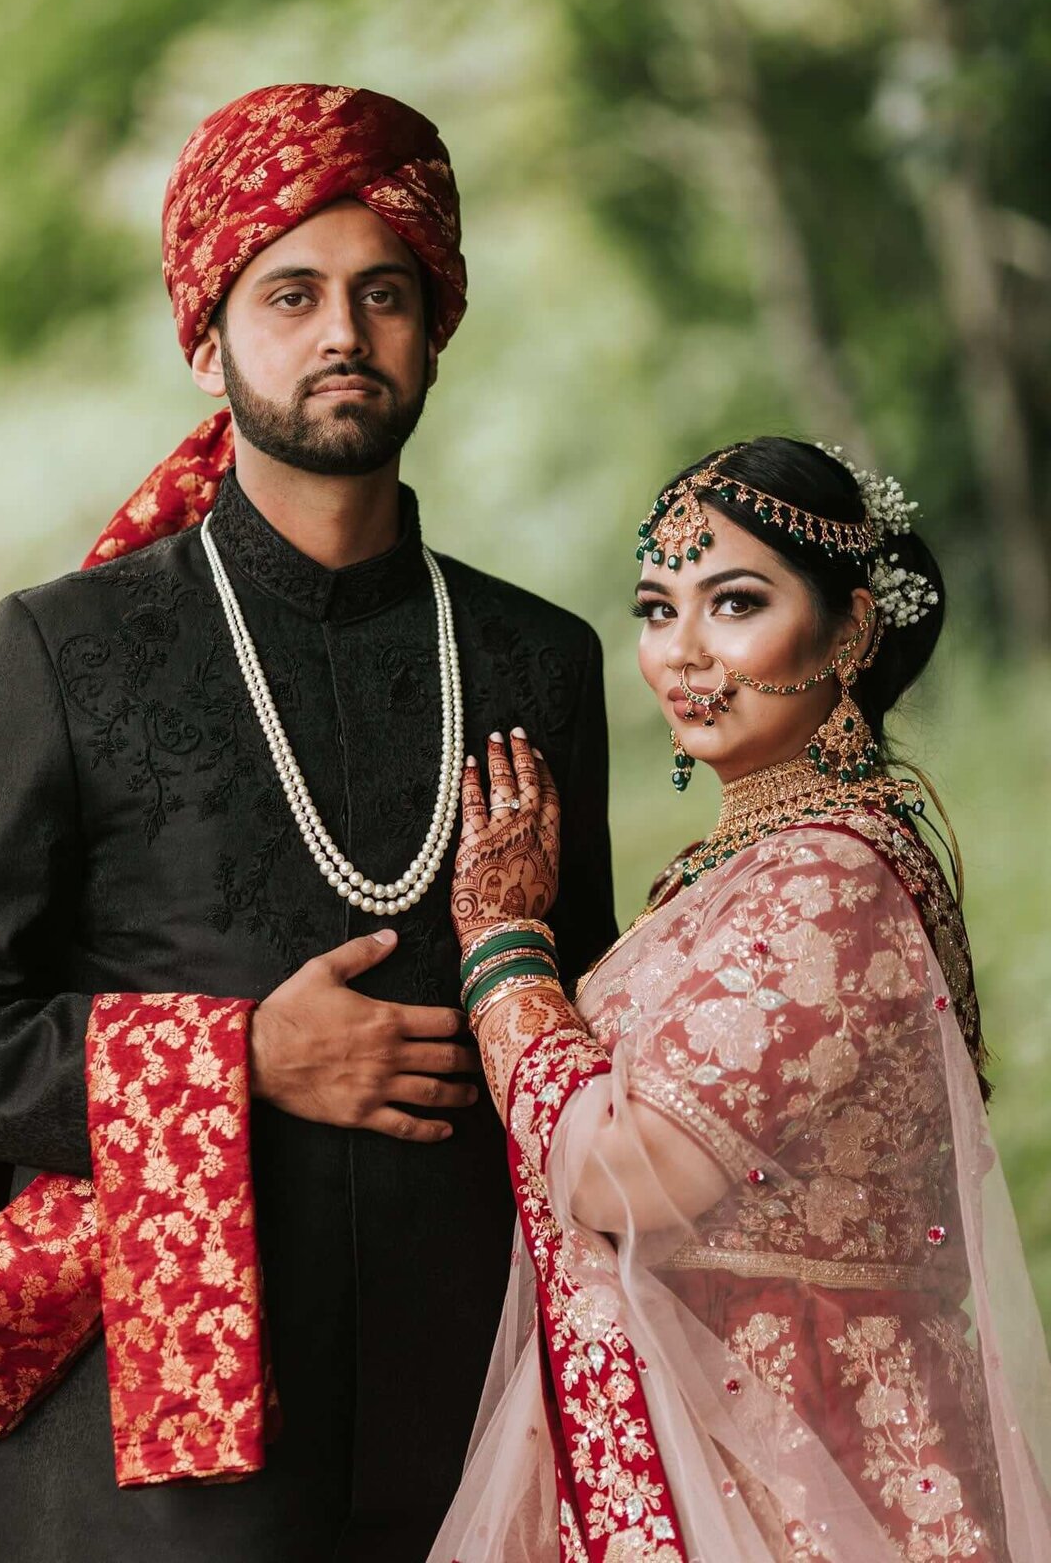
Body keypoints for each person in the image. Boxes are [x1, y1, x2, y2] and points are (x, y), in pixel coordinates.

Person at [0, 84, 618, 1563]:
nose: (342, 332)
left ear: (435, 329)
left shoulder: (538, 659)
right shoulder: (67, 650)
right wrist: (241, 1057)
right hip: (152, 1473)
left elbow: (578, 1037)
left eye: (383, 293)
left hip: (470, 1443)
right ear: (209, 341)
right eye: (292, 295)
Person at [433, 437, 1051, 1562]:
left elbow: (632, 1173)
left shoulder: (835, 880)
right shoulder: (740, 872)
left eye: (735, 603)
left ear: (852, 629)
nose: (683, 654)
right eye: (657, 609)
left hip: (813, 1475)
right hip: (732, 1445)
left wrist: (505, 951)